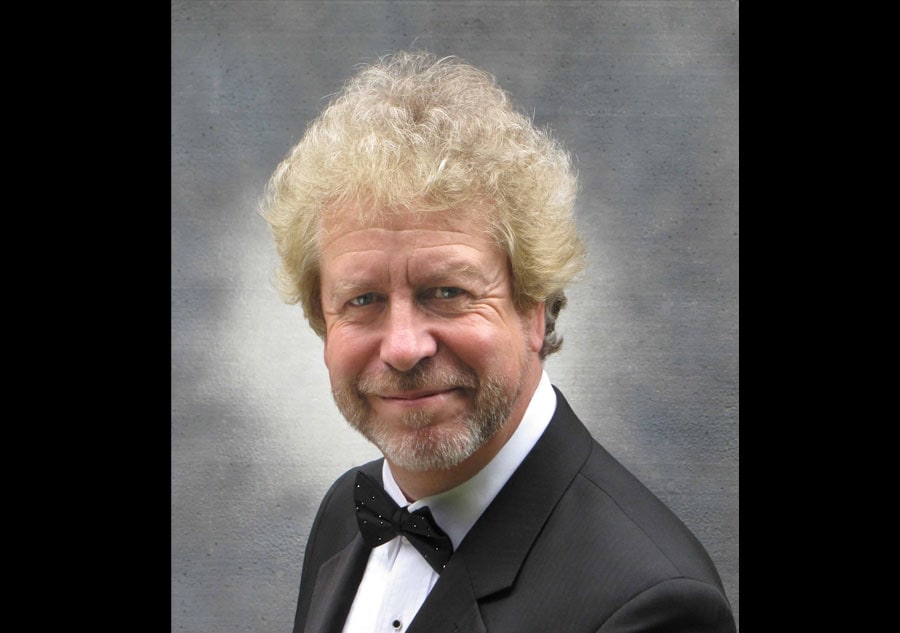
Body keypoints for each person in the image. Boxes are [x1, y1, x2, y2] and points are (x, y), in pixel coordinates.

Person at [260, 50, 736, 633]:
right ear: (323, 320)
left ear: (534, 307)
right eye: (363, 300)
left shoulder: (653, 605)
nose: (404, 348)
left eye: (447, 292)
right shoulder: (345, 512)